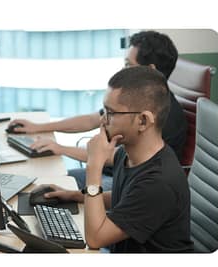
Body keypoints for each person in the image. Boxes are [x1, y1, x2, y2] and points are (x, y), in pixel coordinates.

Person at [9, 30, 188, 190]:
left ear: (149, 70)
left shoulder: (163, 118)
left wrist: (61, 148)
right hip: (113, 171)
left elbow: (114, 157)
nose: (124, 70)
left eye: (128, 65)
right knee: (47, 181)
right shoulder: (133, 102)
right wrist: (38, 127)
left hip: (126, 181)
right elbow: (91, 120)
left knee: (56, 183)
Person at [42, 66, 192, 253]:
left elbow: (96, 238)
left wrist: (94, 166)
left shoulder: (158, 182)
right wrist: (73, 196)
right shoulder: (129, 154)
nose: (103, 120)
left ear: (143, 121)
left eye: (111, 113)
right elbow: (125, 200)